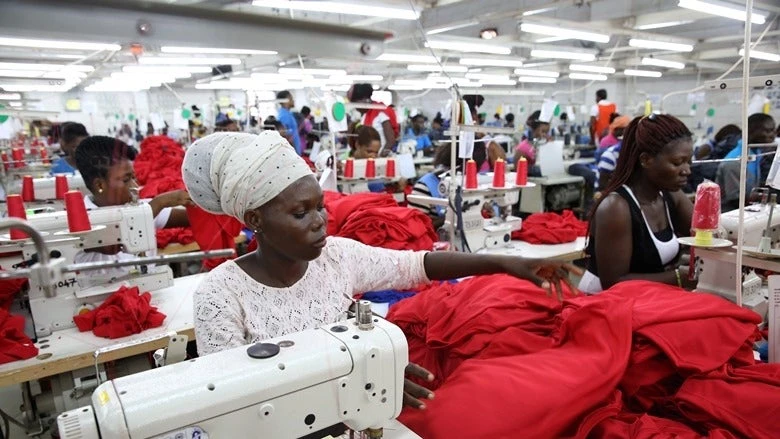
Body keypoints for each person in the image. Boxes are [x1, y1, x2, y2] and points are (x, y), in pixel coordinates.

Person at [182, 131, 581, 408]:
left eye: (320, 205)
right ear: (256, 219)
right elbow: (233, 400)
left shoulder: (335, 257)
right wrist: (360, 379)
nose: (321, 220)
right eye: (300, 213)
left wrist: (502, 263)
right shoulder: (220, 295)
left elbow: (416, 265)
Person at [580, 114, 695, 294]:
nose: (687, 171)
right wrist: (679, 276)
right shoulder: (615, 208)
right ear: (646, 160)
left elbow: (706, 235)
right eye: (677, 163)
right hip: (602, 303)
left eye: (689, 161)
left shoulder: (671, 195)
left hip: (647, 299)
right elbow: (613, 283)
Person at [73, 136, 192, 282]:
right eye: (126, 180)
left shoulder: (139, 207)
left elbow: (191, 218)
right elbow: (113, 243)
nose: (135, 186)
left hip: (147, 292)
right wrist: (161, 202)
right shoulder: (81, 221)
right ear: (99, 185)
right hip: (103, 300)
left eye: (133, 177)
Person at [408, 141, 489, 229]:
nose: (477, 171)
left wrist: (482, 213)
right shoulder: (425, 187)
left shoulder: (466, 184)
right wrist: (452, 216)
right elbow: (415, 229)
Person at [348, 83, 399, 156]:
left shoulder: (381, 113)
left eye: (356, 104)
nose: (356, 108)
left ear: (365, 100)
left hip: (380, 157)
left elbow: (390, 140)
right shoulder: (365, 116)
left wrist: (380, 157)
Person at [514, 110, 551, 176]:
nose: (545, 135)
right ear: (534, 128)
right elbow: (518, 170)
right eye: (543, 131)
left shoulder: (539, 145)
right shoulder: (524, 148)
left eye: (547, 132)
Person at [276, 90, 302, 155]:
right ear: (286, 100)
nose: (293, 100)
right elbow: (285, 136)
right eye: (291, 98)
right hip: (292, 153)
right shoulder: (284, 115)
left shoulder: (288, 113)